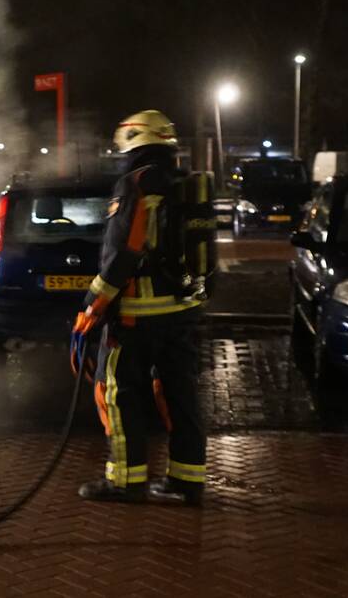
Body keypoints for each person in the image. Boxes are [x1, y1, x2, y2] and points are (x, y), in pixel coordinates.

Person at [73, 110, 209, 506]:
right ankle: (187, 481)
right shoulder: (184, 184)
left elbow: (124, 252)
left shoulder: (136, 183)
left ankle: (125, 482)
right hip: (182, 312)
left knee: (117, 394)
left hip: (135, 316)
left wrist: (92, 306)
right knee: (180, 395)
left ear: (133, 140)